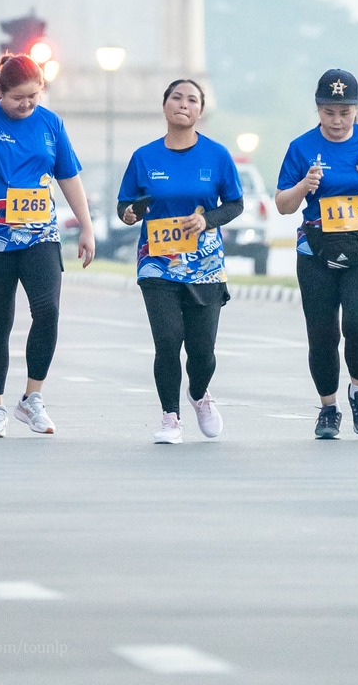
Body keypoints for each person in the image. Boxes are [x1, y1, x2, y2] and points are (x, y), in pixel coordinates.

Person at [0, 52, 96, 438]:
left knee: (47, 310)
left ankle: (32, 398)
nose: (26, 104)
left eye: (34, 96)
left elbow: (69, 176)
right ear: (1, 91)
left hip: (39, 234)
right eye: (18, 98)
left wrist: (86, 226)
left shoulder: (51, 123)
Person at [275, 69, 358, 439]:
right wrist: (303, 186)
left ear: (356, 110)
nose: (336, 120)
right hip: (316, 253)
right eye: (329, 112)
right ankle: (328, 408)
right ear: (318, 109)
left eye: (344, 113)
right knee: (323, 334)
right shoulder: (301, 148)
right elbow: (283, 204)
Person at [117, 78, 243, 445]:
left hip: (204, 266)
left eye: (192, 100)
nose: (183, 104)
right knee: (168, 342)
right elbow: (125, 207)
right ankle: (170, 417)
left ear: (200, 111)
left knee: (202, 352)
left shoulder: (216, 156)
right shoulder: (144, 157)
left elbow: (235, 204)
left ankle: (200, 393)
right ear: (164, 105)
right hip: (157, 264)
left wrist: (207, 220)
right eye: (176, 98)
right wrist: (131, 213)